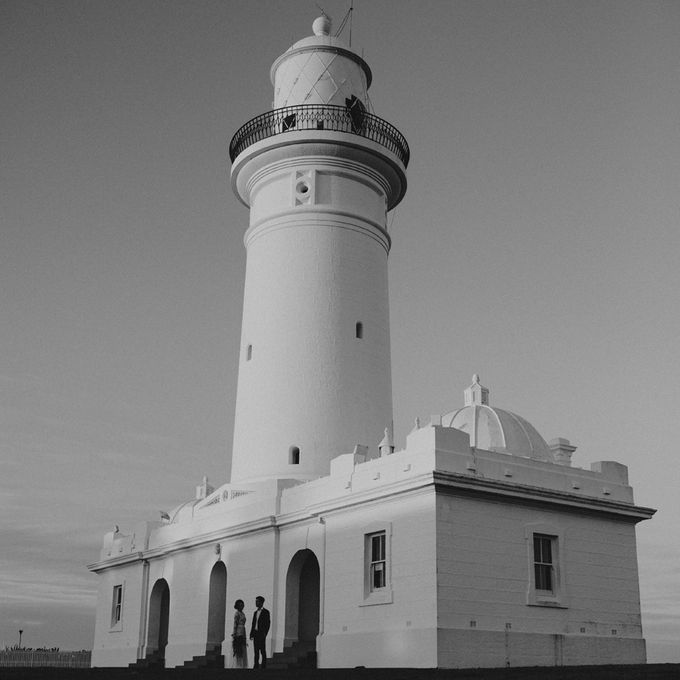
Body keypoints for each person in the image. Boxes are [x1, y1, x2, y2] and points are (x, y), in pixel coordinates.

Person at [249, 595, 270, 669]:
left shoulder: (266, 612)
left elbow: (268, 623)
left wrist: (265, 633)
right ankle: (256, 665)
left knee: (262, 650)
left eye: (257, 601)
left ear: (261, 602)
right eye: (256, 601)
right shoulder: (255, 612)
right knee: (256, 650)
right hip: (255, 633)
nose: (256, 603)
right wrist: (251, 633)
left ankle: (264, 665)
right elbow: (253, 623)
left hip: (261, 633)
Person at [230, 599, 248, 669]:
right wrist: (235, 633)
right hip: (238, 631)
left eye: (242, 605)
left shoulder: (243, 613)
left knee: (243, 647)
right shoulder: (237, 613)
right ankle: (238, 665)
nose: (242, 606)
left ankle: (243, 664)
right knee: (238, 647)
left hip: (243, 630)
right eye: (240, 605)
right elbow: (235, 624)